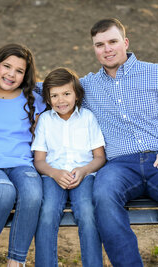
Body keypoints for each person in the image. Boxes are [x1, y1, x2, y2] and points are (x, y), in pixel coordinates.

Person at [78, 18, 158, 267]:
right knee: (103, 197)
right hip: (118, 166)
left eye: (113, 42)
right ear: (94, 49)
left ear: (125, 43)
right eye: (100, 44)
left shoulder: (156, 74)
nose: (107, 49)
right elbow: (51, 87)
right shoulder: (88, 86)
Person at [0, 43, 46, 266]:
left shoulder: (35, 97)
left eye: (19, 70)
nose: (11, 74)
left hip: (22, 164)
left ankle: (16, 261)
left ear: (26, 75)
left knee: (33, 193)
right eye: (7, 66)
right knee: (4, 192)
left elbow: (65, 89)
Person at [32, 67, 106, 267]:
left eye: (66, 93)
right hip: (52, 176)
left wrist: (83, 171)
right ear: (47, 99)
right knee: (46, 214)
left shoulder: (88, 118)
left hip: (84, 175)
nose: (60, 100)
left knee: (88, 214)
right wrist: (55, 173)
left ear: (77, 95)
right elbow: (39, 161)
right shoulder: (46, 121)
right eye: (54, 95)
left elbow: (99, 157)